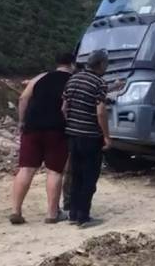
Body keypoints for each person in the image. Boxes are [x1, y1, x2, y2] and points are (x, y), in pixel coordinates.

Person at [9, 52, 75, 225]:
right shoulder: (74, 80)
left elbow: (23, 98)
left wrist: (22, 121)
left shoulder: (40, 77)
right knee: (54, 171)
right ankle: (52, 214)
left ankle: (16, 211)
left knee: (26, 169)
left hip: (33, 127)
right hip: (56, 129)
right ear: (73, 64)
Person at [62, 50, 111, 228]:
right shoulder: (100, 83)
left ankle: (73, 214)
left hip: (73, 135)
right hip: (90, 137)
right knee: (89, 177)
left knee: (76, 175)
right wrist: (106, 136)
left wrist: (72, 125)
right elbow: (100, 112)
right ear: (101, 64)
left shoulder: (73, 79)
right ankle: (84, 216)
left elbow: (64, 107)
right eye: (106, 64)